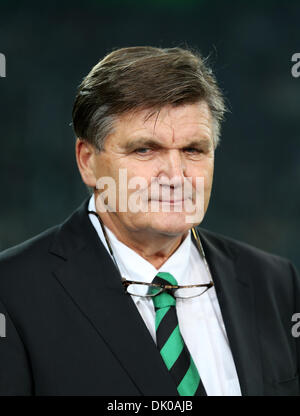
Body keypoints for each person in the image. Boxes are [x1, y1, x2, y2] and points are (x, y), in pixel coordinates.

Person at [0, 46, 299, 396]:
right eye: (145, 149)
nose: (176, 175)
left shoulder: (276, 284)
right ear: (88, 161)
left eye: (193, 150)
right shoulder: (12, 293)